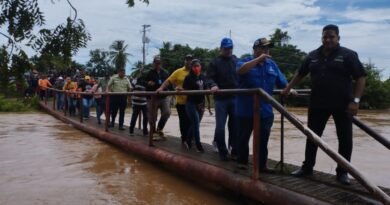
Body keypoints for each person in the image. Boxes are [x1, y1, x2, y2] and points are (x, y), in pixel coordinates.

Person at [281, 24, 366, 185]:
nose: (328, 40)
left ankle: (342, 172)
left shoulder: (348, 55)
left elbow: (361, 77)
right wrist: (287, 89)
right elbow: (300, 73)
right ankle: (307, 168)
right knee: (312, 136)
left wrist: (355, 101)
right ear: (322, 37)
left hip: (343, 105)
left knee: (345, 139)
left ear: (338, 38)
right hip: (318, 103)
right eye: (325, 36)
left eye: (331, 37)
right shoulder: (312, 55)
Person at [236, 37, 287, 172]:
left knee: (263, 139)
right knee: (243, 137)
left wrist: (289, 89)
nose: (266, 50)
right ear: (255, 49)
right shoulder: (245, 61)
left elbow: (282, 82)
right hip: (245, 109)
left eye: (267, 48)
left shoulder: (272, 65)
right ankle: (242, 162)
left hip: (265, 110)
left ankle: (261, 165)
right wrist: (258, 60)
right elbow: (240, 70)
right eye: (263, 48)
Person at [206, 37, 239, 161]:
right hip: (221, 99)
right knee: (220, 126)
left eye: (230, 48)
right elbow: (208, 78)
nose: (228, 51)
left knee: (235, 125)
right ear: (221, 49)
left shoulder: (236, 60)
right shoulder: (215, 62)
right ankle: (222, 151)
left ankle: (234, 149)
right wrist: (213, 85)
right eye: (226, 48)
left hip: (235, 97)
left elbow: (243, 74)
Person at [157, 54, 193, 144]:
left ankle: (190, 139)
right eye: (187, 59)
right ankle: (184, 138)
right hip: (181, 102)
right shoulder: (178, 71)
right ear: (184, 61)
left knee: (192, 121)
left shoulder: (195, 71)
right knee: (183, 121)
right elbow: (169, 80)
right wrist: (161, 88)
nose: (189, 61)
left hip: (192, 101)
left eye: (190, 60)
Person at [183, 59, 207, 152]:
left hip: (201, 104)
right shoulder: (188, 78)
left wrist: (207, 105)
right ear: (192, 68)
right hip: (191, 104)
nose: (196, 68)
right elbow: (185, 90)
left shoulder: (203, 77)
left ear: (200, 66)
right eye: (194, 66)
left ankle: (187, 140)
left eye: (198, 66)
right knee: (196, 123)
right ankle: (198, 144)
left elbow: (206, 90)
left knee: (194, 124)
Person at [145, 55, 171, 140]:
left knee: (167, 112)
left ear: (161, 64)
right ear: (153, 63)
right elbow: (140, 81)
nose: (157, 64)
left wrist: (172, 90)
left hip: (164, 96)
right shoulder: (149, 72)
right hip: (152, 97)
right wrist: (147, 83)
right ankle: (153, 133)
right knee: (152, 116)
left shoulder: (165, 73)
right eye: (156, 63)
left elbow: (169, 82)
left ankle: (159, 129)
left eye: (159, 63)